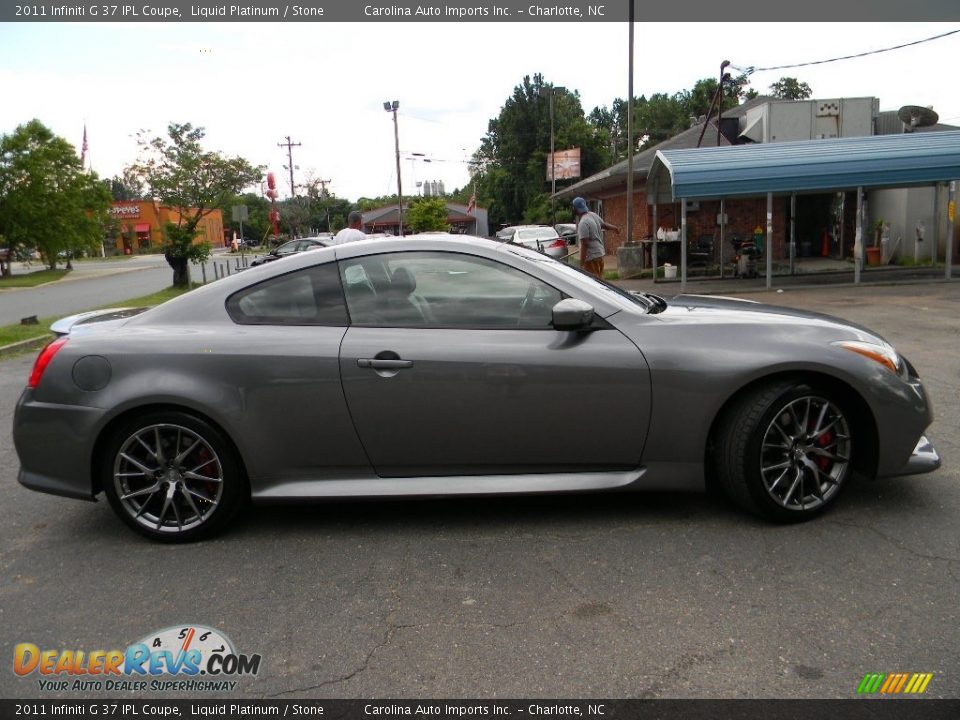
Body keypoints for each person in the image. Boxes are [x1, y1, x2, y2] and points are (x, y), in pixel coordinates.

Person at [572, 196, 619, 279]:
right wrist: (614, 228)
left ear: (575, 209)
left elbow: (585, 244)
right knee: (599, 281)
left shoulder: (583, 223)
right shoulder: (593, 215)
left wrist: (582, 263)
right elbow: (604, 225)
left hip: (591, 258)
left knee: (593, 283)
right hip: (599, 255)